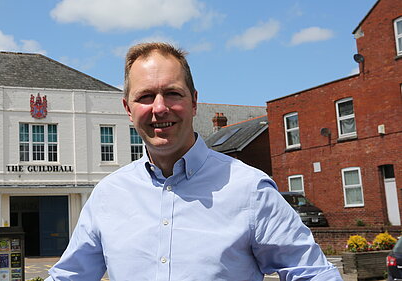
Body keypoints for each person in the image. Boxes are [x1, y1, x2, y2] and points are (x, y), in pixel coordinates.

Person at [46, 42, 342, 280]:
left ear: (194, 101)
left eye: (172, 93)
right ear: (127, 108)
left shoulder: (249, 190)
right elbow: (69, 276)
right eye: (145, 96)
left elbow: (312, 273)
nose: (159, 108)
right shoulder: (108, 195)